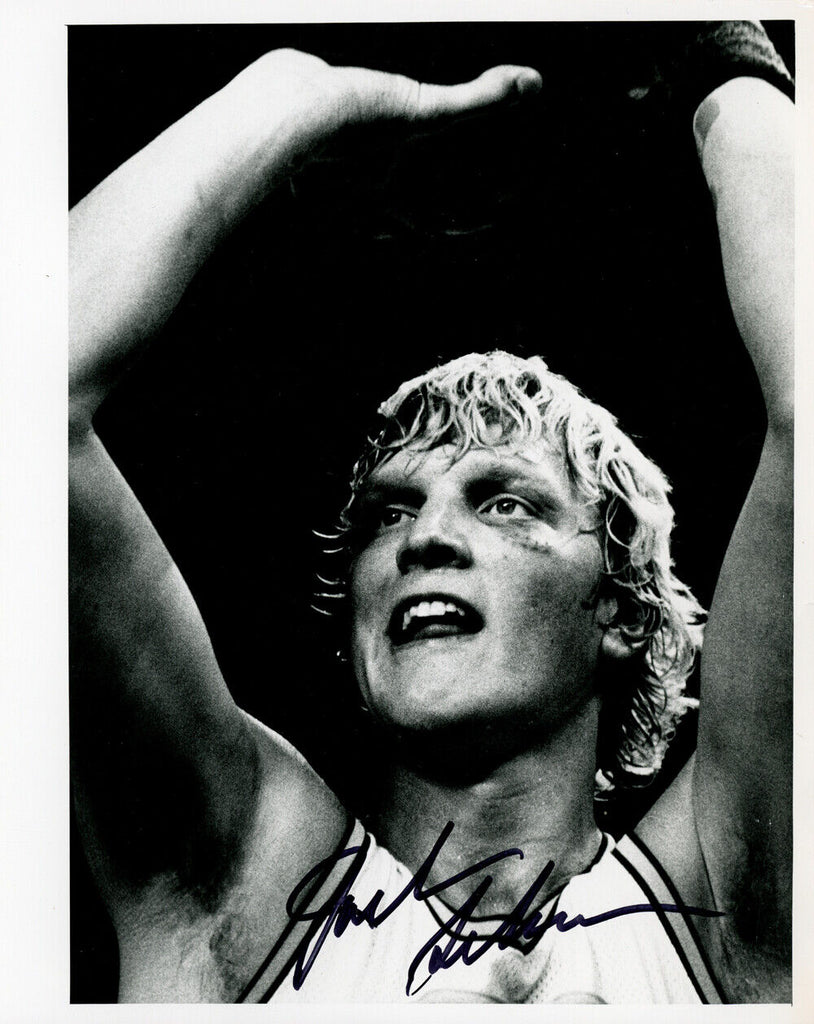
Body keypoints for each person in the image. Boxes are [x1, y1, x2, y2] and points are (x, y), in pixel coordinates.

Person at [70, 26, 793, 1004]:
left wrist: (723, 68)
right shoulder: (238, 891)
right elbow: (28, 400)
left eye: (505, 502)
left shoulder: (730, 911)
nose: (426, 538)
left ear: (619, 607)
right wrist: (293, 93)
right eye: (386, 513)